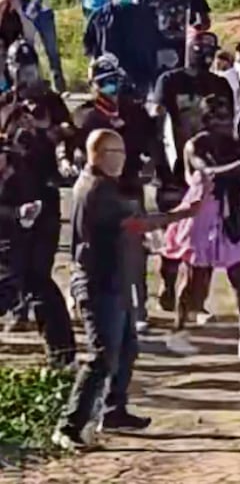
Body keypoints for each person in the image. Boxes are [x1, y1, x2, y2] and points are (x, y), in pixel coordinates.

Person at [54, 129, 198, 450]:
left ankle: (113, 410)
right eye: (116, 153)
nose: (122, 159)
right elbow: (138, 223)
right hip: (98, 283)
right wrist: (183, 214)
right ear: (99, 155)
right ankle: (69, 425)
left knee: (127, 348)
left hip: (113, 280)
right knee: (102, 357)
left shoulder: (100, 184)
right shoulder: (97, 189)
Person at [70, 54, 161, 331]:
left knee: (135, 251)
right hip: (96, 193)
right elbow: (72, 148)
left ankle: (139, 308)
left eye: (114, 81)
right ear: (92, 85)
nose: (110, 88)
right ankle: (82, 298)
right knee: (90, 250)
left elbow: (152, 143)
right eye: (104, 83)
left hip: (130, 188)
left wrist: (151, 164)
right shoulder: (84, 115)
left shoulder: (134, 111)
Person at [150, 31, 234, 316]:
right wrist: (159, 162)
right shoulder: (169, 81)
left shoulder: (221, 84)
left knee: (205, 237)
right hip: (174, 168)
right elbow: (159, 122)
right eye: (200, 48)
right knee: (173, 235)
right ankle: (168, 282)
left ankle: (195, 301)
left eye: (210, 49)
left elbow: (228, 125)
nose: (205, 54)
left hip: (210, 169)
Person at [0, 137, 69, 364]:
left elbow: (47, 200)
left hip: (34, 239)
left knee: (41, 290)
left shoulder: (25, 170)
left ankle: (62, 354)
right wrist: (16, 213)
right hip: (8, 243)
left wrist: (30, 214)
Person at [82, 0, 161, 98]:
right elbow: (90, 45)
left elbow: (155, 43)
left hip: (138, 74)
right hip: (108, 72)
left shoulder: (145, 15)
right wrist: (92, 69)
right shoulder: (100, 16)